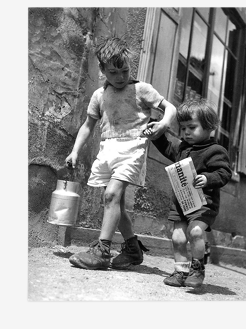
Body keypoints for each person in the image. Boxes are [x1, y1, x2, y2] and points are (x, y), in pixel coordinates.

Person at [66, 35, 176, 271]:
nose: (120, 77)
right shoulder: (99, 95)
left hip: (132, 148)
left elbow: (171, 108)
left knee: (112, 195)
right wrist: (75, 151)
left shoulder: (141, 90)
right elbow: (88, 126)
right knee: (114, 202)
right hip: (108, 149)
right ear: (103, 69)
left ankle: (102, 251)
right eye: (113, 73)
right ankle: (133, 249)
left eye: (124, 71)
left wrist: (164, 124)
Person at [145, 99, 232, 287]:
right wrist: (156, 135)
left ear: (209, 127)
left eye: (192, 127)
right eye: (183, 128)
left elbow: (224, 173)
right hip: (182, 200)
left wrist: (208, 178)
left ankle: (197, 268)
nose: (186, 132)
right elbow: (168, 148)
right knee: (177, 237)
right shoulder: (182, 148)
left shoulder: (216, 150)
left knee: (196, 232)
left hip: (203, 203)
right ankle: (180, 271)